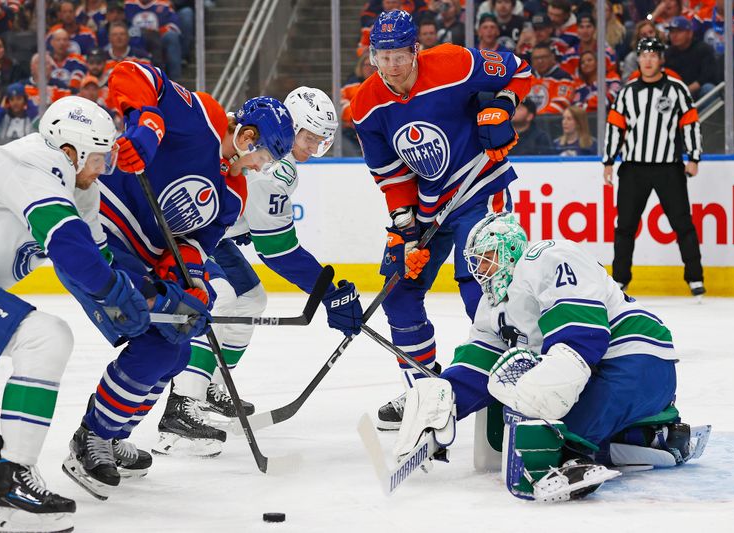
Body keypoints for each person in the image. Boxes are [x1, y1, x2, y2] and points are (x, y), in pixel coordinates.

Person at [60, 60, 295, 496]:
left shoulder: (233, 193)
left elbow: (194, 246)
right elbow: (135, 73)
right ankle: (91, 436)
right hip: (101, 241)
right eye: (263, 157)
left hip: (143, 262)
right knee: (151, 343)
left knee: (177, 348)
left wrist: (190, 286)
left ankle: (111, 435)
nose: (262, 167)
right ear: (247, 138)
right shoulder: (203, 118)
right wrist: (146, 128)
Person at [392, 212, 708, 503]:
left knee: (554, 431)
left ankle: (577, 456)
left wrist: (540, 389)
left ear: (510, 251)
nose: (481, 270)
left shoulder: (546, 257)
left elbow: (583, 336)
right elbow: (480, 363)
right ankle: (654, 437)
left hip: (637, 357)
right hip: (604, 369)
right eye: (477, 262)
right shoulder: (491, 307)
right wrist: (446, 401)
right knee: (545, 417)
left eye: (488, 259)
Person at [351, 9, 532, 430]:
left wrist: (501, 109)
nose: (392, 65)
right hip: (427, 206)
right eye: (384, 56)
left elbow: (519, 71)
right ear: (372, 56)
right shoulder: (365, 105)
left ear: (416, 50)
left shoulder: (455, 63)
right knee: (398, 292)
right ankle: (425, 393)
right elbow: (393, 177)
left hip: (477, 189)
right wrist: (407, 233)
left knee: (483, 290)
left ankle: (514, 385)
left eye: (400, 55)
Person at [161, 88, 365, 454]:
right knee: (219, 298)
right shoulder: (275, 170)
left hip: (212, 230)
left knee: (251, 298)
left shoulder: (270, 152)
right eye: (308, 138)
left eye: (321, 142)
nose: (312, 148)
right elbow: (279, 251)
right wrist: (329, 292)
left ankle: (209, 384)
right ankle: (179, 409)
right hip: (185, 232)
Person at [0, 95, 149, 533]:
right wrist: (115, 294)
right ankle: (12, 485)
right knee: (45, 336)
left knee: (45, 336)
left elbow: (99, 259)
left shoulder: (79, 187)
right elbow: (70, 247)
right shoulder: (29, 163)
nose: (102, 169)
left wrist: (147, 300)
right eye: (97, 157)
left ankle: (6, 501)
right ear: (69, 150)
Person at [603, 37, 705, 297]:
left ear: (661, 59)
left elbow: (690, 124)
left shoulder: (677, 90)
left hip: (668, 168)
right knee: (625, 225)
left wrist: (693, 157)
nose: (648, 60)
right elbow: (615, 126)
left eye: (653, 55)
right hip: (633, 168)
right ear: (638, 59)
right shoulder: (627, 92)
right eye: (644, 55)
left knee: (683, 223)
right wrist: (608, 161)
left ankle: (695, 278)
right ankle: (620, 280)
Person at [664, 16, 719, 101]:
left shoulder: (703, 49)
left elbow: (708, 76)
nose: (674, 35)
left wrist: (687, 90)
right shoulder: (668, 53)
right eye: (672, 32)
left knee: (708, 88)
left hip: (698, 91)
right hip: (678, 94)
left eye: (679, 31)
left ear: (690, 33)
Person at [527, 42, 574, 114]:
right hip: (526, 121)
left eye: (544, 57)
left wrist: (535, 117)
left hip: (551, 122)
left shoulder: (563, 78)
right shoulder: (525, 77)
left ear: (552, 57)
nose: (540, 61)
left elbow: (561, 104)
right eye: (536, 58)